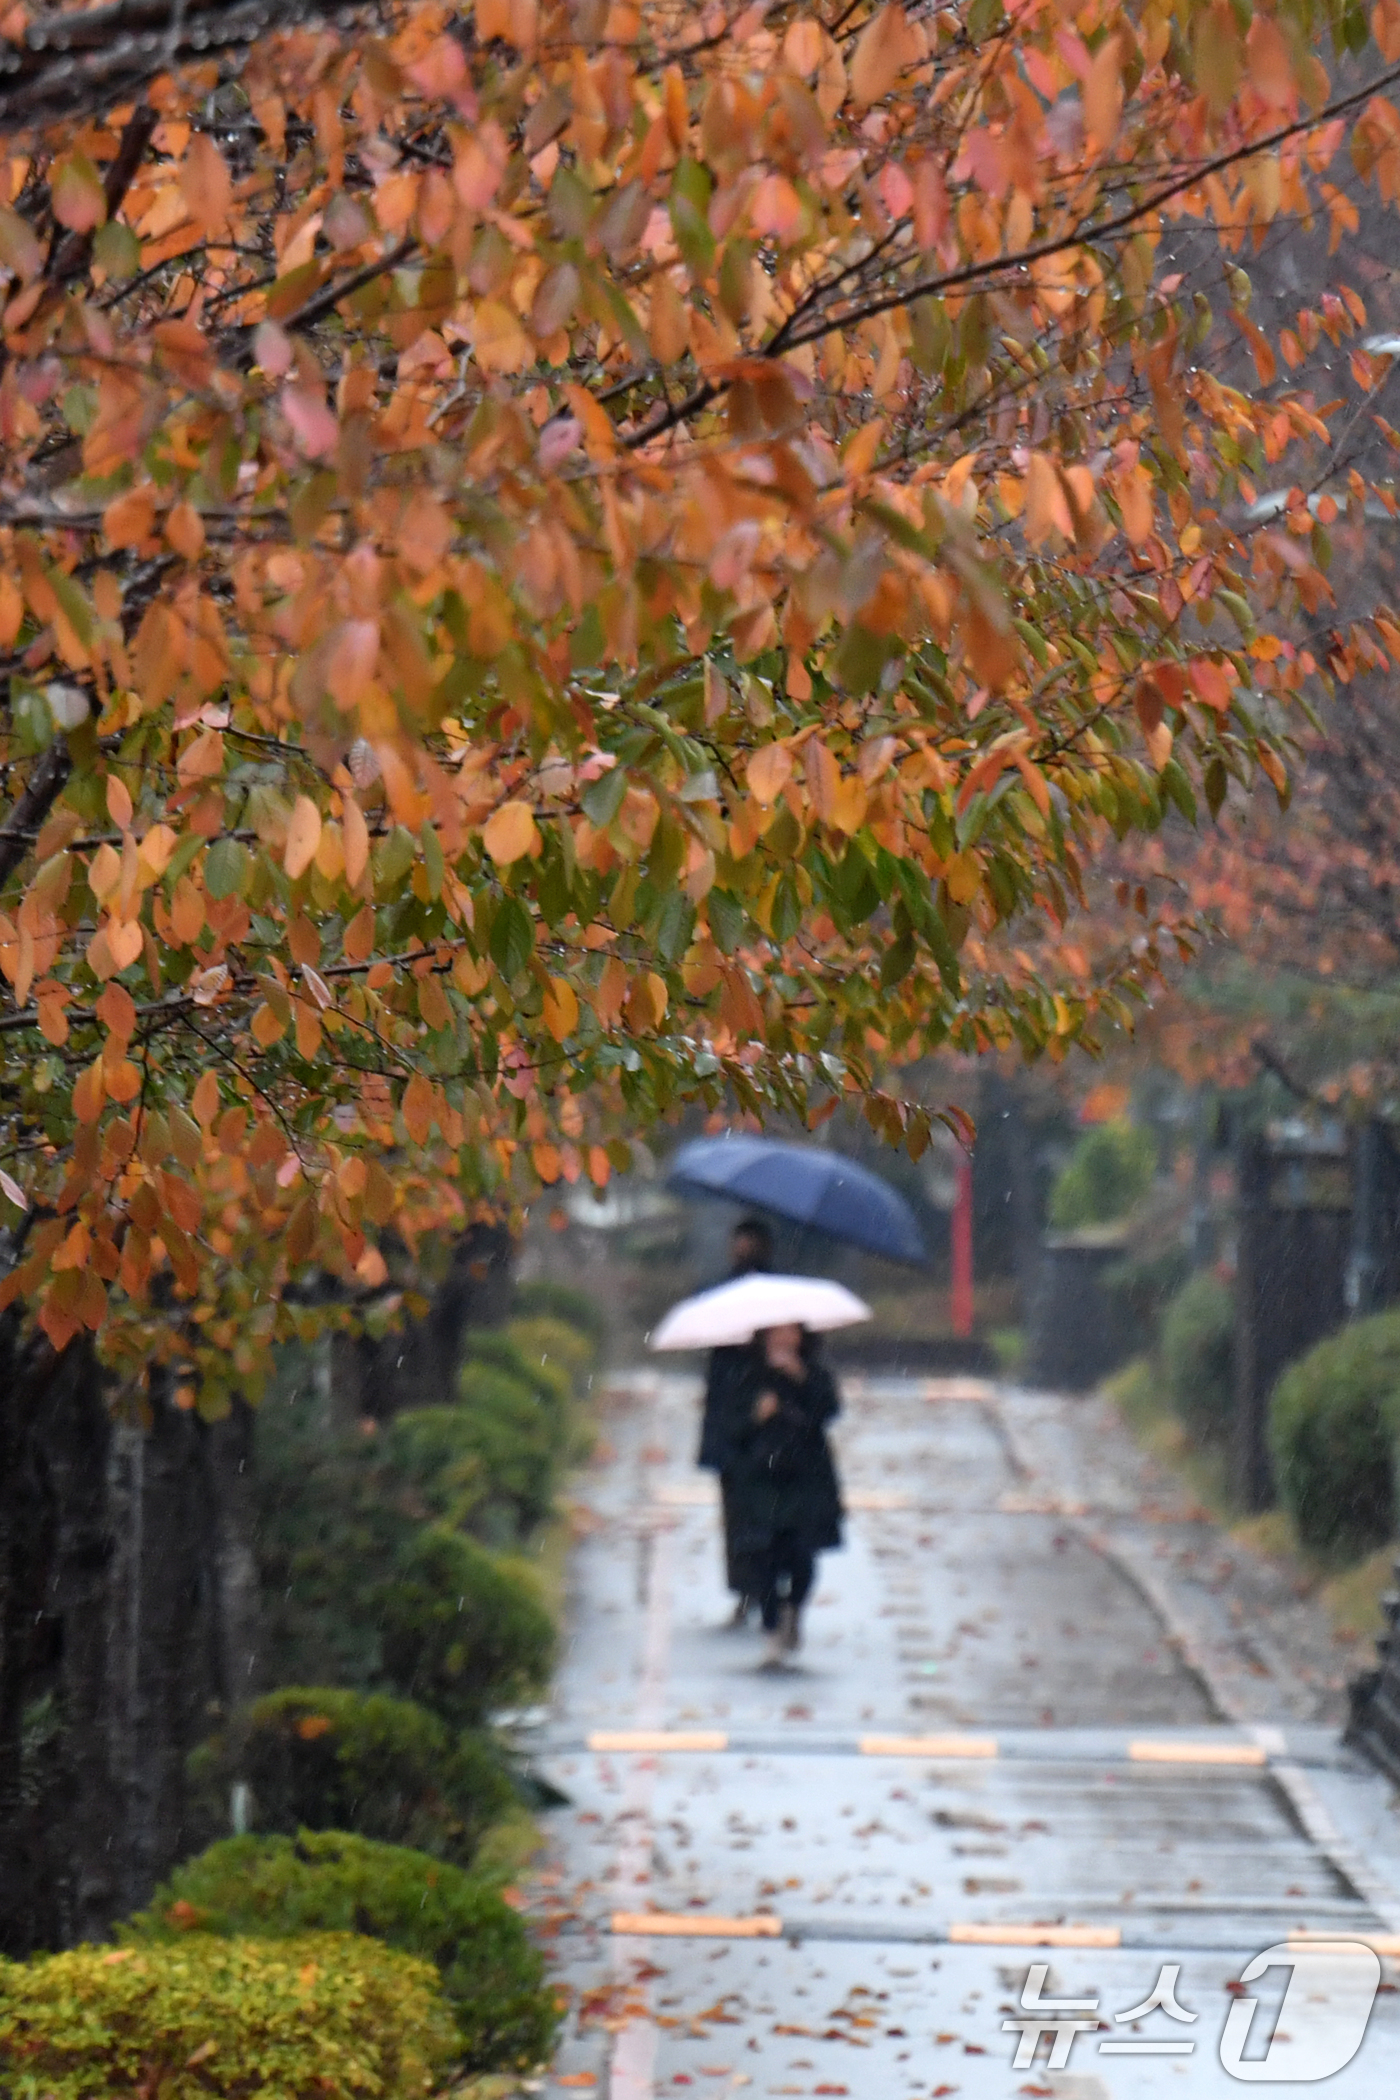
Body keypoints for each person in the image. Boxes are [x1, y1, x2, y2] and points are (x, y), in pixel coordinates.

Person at [727, 1323, 844, 1670]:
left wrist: (801, 1379)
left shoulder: (814, 1371)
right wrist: (755, 1416)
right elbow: (731, 1427)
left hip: (806, 1476)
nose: (784, 1339)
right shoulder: (747, 1374)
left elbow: (829, 1411)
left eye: (791, 1332)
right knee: (763, 1554)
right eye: (776, 1332)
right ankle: (770, 1628)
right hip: (761, 1478)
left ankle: (794, 1608)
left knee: (801, 1553)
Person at [697, 1215, 773, 1625]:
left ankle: (763, 1587)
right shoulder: (721, 1295)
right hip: (731, 1423)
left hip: (764, 1426)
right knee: (737, 1513)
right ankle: (746, 1589)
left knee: (763, 1512)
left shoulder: (777, 1300)